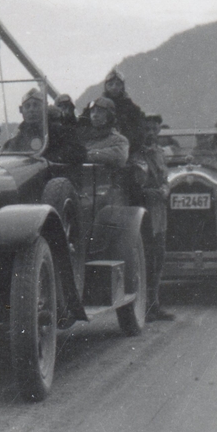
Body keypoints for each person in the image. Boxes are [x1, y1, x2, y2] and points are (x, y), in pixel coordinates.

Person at [136, 114, 174, 321]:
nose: (151, 132)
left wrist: (166, 189)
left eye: (154, 129)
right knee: (147, 259)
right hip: (144, 210)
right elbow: (135, 185)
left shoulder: (160, 153)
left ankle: (154, 304)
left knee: (158, 258)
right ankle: (146, 306)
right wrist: (152, 192)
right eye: (147, 129)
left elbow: (165, 178)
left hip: (159, 210)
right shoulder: (137, 155)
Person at [79, 97, 129, 168]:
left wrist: (83, 155)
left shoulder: (119, 140)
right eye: (92, 111)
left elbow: (118, 156)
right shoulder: (84, 138)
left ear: (109, 115)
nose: (95, 115)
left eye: (100, 111)